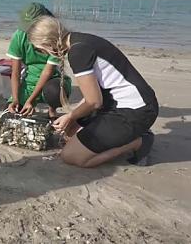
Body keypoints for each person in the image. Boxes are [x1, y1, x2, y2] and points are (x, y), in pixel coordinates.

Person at [26, 16, 158, 167]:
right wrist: (73, 119)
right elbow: (96, 92)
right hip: (119, 102)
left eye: (40, 49)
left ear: (47, 43)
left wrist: (70, 116)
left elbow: (94, 102)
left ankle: (138, 142)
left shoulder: (78, 52)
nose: (43, 53)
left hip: (136, 111)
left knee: (71, 156)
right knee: (69, 134)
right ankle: (119, 136)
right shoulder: (80, 40)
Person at [6, 2, 71, 118]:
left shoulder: (55, 36)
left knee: (54, 92)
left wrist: (30, 100)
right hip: (30, 80)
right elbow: (15, 72)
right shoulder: (19, 36)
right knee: (14, 111)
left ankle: (52, 110)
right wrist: (15, 99)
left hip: (53, 79)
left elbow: (48, 71)